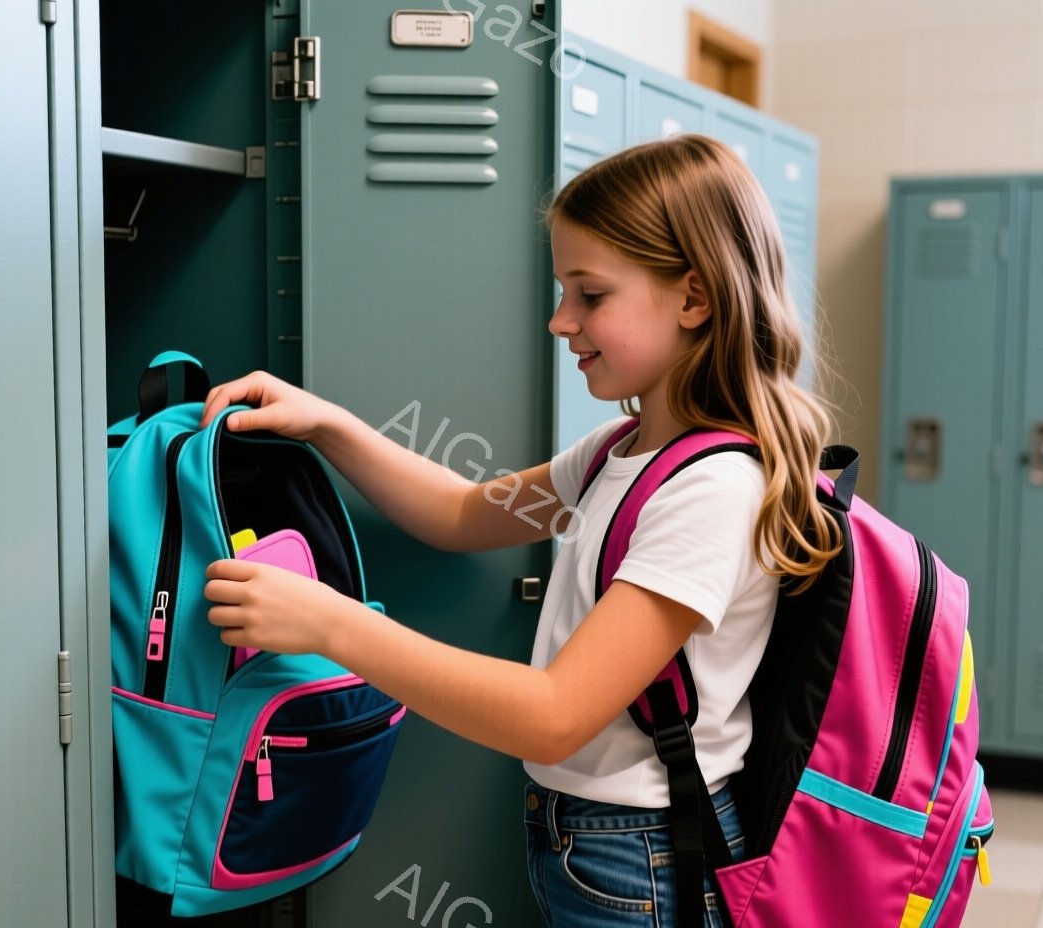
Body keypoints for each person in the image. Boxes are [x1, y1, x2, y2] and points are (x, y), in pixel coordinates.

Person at [196, 132, 843, 927]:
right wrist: (327, 425)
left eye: (590, 293)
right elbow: (464, 512)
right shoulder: (624, 450)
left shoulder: (713, 489)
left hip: (645, 855)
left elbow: (554, 711)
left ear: (694, 298)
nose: (559, 320)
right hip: (588, 839)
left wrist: (329, 625)